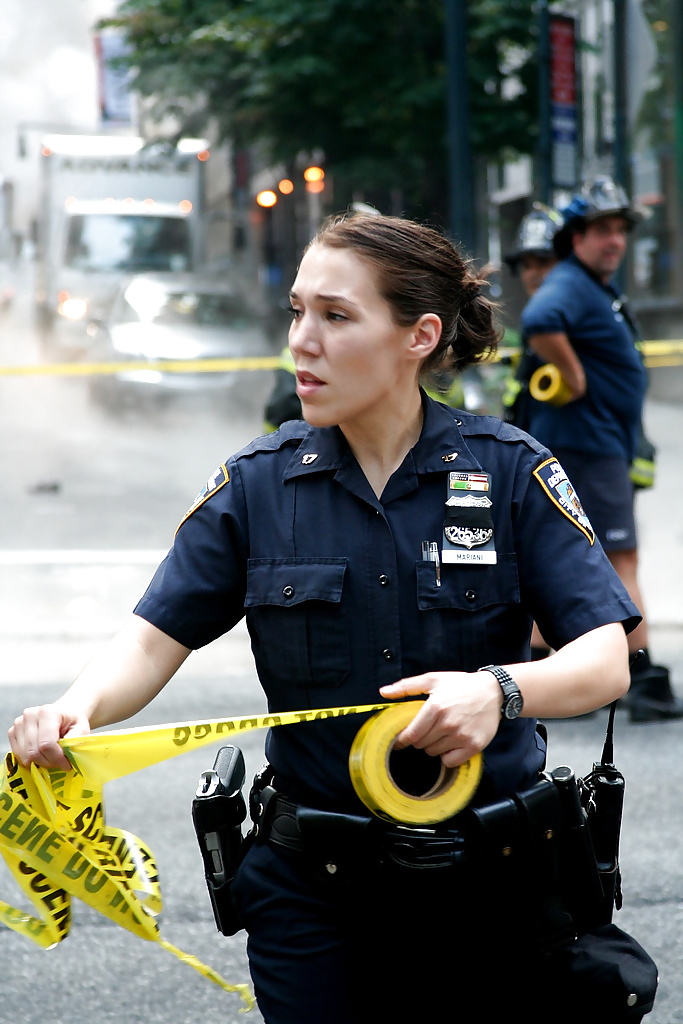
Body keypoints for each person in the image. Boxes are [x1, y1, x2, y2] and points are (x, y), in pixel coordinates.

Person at [10, 214, 645, 1023]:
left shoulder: (511, 471)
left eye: (335, 316)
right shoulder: (255, 485)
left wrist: (499, 691)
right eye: (296, 312)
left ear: (418, 335)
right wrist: (76, 710)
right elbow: (150, 637)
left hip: (498, 884)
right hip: (313, 897)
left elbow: (602, 659)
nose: (301, 342)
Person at [521, 175, 683, 724]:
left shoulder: (593, 287)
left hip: (593, 446)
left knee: (568, 557)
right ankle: (641, 678)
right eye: (602, 230)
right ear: (577, 237)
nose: (614, 240)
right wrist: (574, 375)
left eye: (620, 230)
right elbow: (540, 320)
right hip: (588, 447)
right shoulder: (571, 284)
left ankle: (547, 667)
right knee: (621, 559)